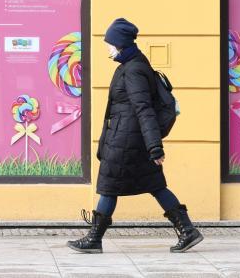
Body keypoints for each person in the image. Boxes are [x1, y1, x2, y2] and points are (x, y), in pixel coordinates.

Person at [67, 18, 203, 254]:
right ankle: (187, 230)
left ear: (120, 44)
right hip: (130, 138)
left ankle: (94, 239)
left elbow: (144, 109)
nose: (108, 48)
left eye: (110, 44)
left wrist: (155, 147)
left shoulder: (134, 69)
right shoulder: (131, 65)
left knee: (109, 185)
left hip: (127, 141)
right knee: (155, 185)